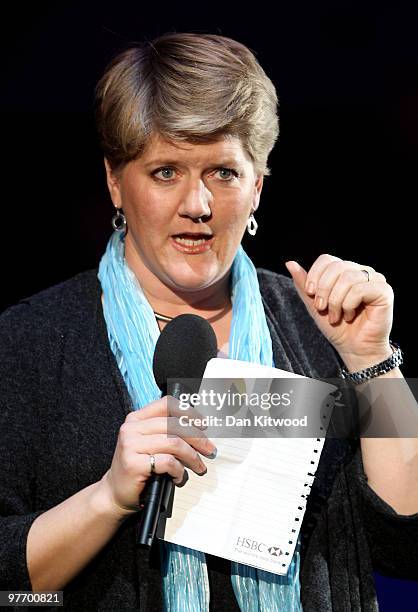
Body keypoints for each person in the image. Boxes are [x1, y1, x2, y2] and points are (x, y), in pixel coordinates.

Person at [0, 31, 417, 612]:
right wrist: (108, 499)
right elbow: (9, 590)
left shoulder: (319, 325)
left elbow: (408, 547)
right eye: (166, 172)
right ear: (115, 181)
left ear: (257, 188)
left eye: (223, 172)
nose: (198, 205)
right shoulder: (28, 343)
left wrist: (373, 360)